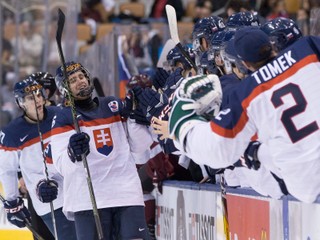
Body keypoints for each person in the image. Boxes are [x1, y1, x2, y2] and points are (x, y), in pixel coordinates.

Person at [168, 26, 320, 203]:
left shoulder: (246, 93)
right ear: (272, 46)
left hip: (310, 186)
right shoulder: (308, 48)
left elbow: (218, 149)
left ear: (244, 63)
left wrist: (184, 129)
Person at [51, 61, 153, 239]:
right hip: (87, 201)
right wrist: (72, 153)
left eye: (81, 76)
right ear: (63, 89)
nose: (80, 81)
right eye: (73, 80)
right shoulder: (63, 118)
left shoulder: (113, 105)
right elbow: (62, 166)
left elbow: (140, 147)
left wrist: (133, 118)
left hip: (126, 194)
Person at [0, 76, 77, 239]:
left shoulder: (60, 115)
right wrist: (13, 202)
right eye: (30, 97)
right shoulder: (12, 134)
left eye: (38, 94)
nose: (37, 100)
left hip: (78, 191)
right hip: (50, 201)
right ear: (21, 103)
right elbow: (7, 170)